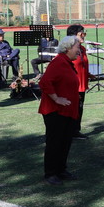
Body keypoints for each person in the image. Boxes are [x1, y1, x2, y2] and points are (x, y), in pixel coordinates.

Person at [38, 36, 82, 185]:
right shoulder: (58, 62)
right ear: (68, 48)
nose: (79, 50)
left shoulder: (67, 62)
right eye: (77, 47)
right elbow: (44, 82)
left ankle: (61, 169)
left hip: (67, 110)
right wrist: (56, 98)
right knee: (55, 142)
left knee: (65, 142)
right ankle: (50, 173)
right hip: (55, 111)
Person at [66, 24, 95, 139]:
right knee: (73, 109)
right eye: (81, 33)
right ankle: (71, 131)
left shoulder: (82, 49)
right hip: (72, 86)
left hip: (82, 84)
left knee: (79, 108)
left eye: (84, 33)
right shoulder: (68, 50)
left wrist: (88, 74)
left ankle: (75, 130)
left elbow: (81, 64)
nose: (84, 35)